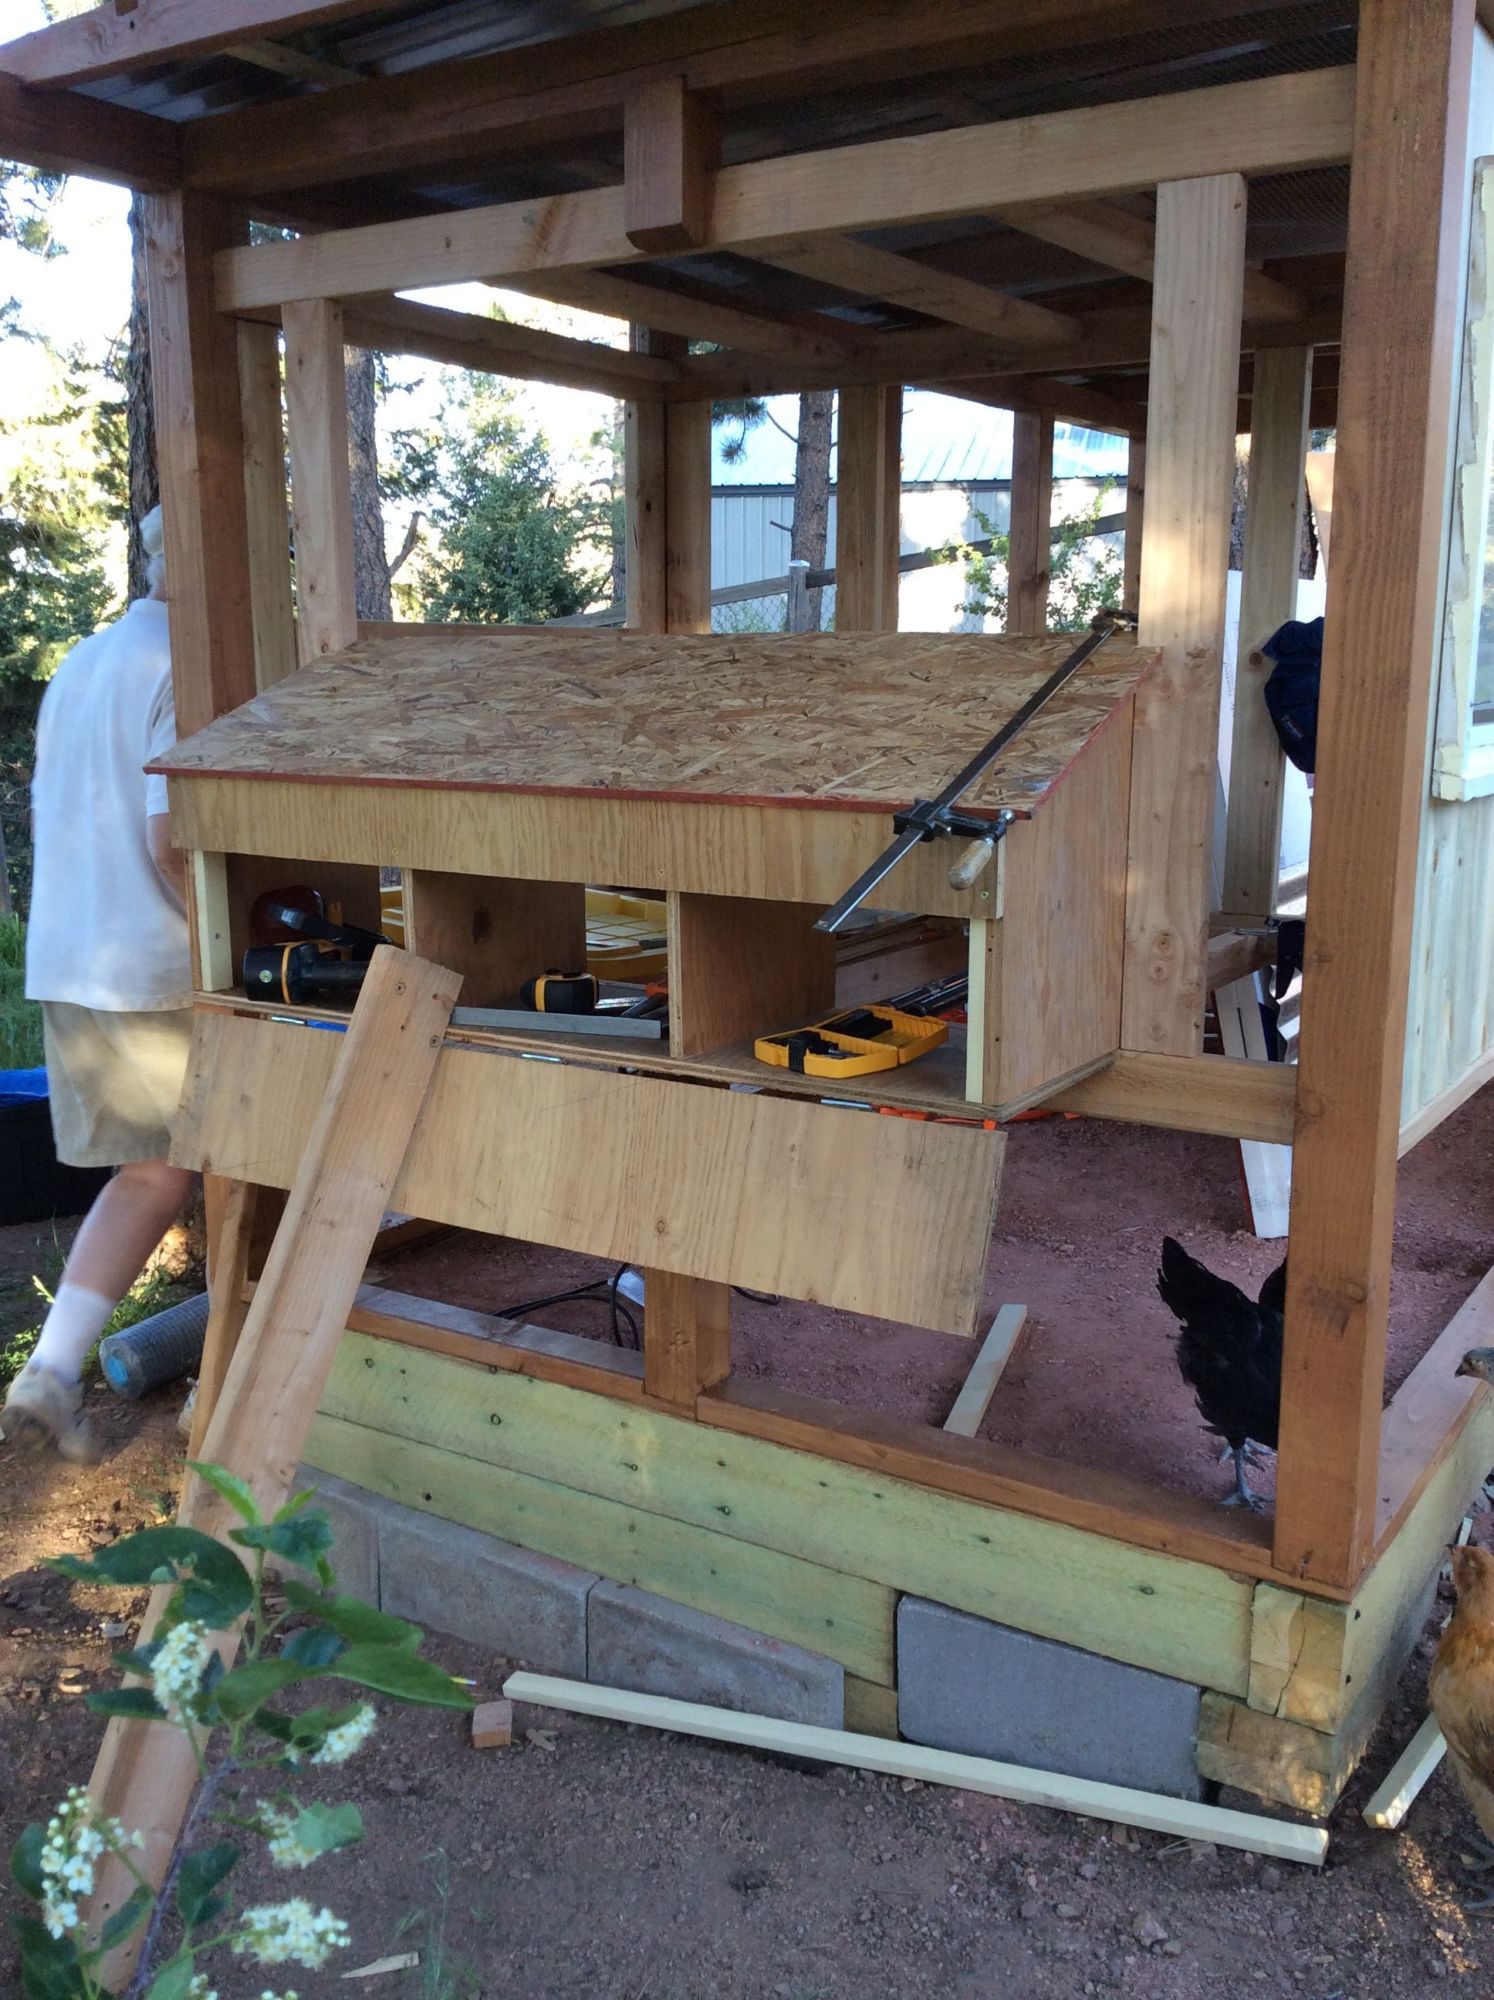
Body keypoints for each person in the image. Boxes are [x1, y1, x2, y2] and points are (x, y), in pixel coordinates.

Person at [3, 504, 196, 1461]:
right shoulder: (187, 668)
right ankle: (238, 1383)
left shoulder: (81, 664)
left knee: (151, 1170)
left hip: (69, 958)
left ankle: (53, 1366)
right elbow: (170, 841)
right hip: (153, 965)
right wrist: (229, 944)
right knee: (213, 1159)